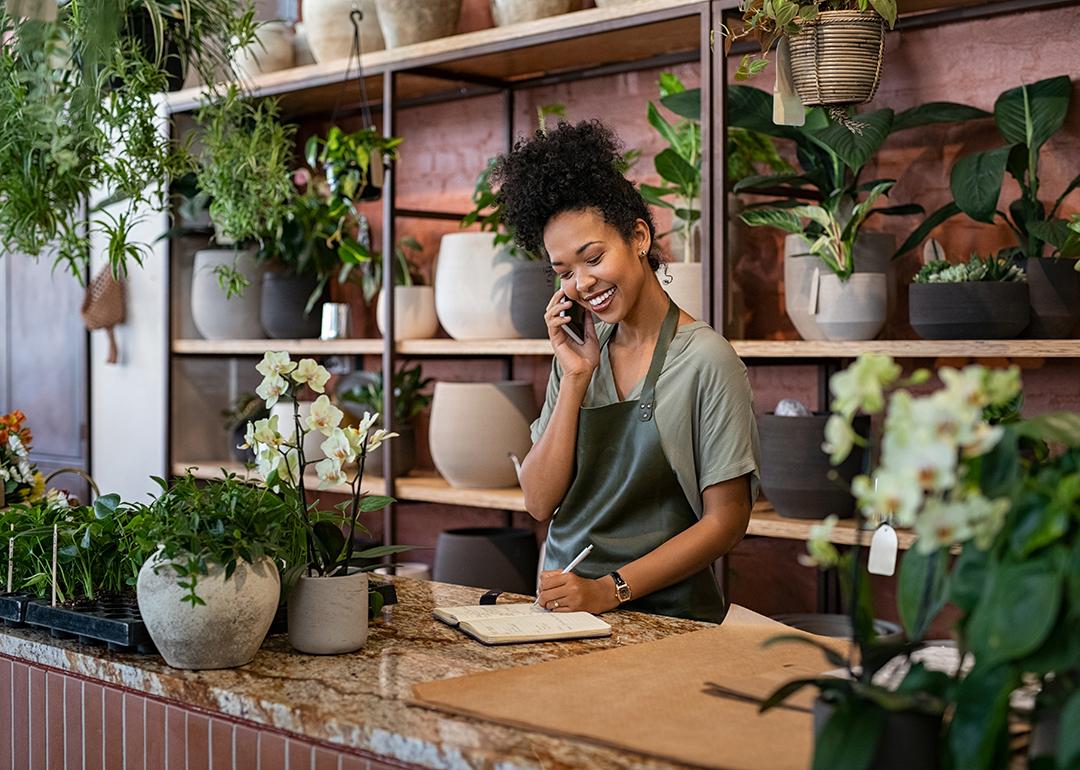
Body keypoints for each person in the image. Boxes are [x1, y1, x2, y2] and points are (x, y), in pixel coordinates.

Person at [493, 120, 760, 624]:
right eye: (565, 272)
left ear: (639, 236)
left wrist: (609, 590)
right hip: (565, 613)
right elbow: (537, 501)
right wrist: (574, 379)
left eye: (593, 258)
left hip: (668, 618)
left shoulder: (706, 360)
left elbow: (728, 521)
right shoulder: (576, 355)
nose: (583, 284)